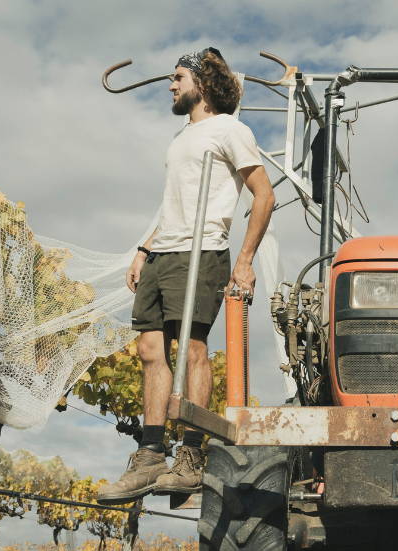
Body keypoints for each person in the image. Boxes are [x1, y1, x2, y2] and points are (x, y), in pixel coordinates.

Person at [99, 47, 274, 504]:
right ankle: (151, 452)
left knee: (193, 348)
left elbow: (264, 195)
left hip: (203, 251)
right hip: (164, 251)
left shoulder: (230, 130)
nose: (171, 86)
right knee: (148, 348)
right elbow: (171, 203)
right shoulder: (182, 137)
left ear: (203, 82)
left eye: (178, 78)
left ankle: (192, 455)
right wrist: (144, 248)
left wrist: (245, 260)